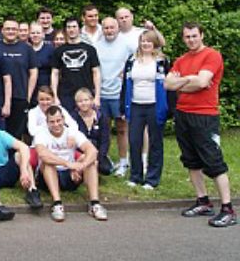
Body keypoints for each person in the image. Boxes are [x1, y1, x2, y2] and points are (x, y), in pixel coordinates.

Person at [164, 22, 235, 227]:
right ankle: (203, 201)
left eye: (194, 36)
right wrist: (190, 80)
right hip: (183, 114)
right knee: (191, 160)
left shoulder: (212, 56)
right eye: (187, 37)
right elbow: (168, 84)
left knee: (213, 162)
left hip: (205, 116)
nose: (191, 40)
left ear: (201, 35)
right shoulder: (181, 60)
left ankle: (228, 208)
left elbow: (203, 82)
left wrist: (182, 82)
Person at [34, 106, 108, 222]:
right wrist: (68, 164)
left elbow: (92, 150)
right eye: (52, 122)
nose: (56, 124)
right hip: (48, 177)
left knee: (91, 162)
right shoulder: (41, 134)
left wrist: (80, 167)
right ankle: (57, 204)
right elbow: (43, 154)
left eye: (58, 121)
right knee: (47, 163)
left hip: (71, 175)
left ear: (63, 119)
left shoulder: (73, 133)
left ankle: (95, 204)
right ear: (47, 122)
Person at [120, 30, 170, 188]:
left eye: (149, 41)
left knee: (155, 142)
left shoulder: (162, 61)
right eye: (143, 41)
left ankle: (152, 179)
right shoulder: (132, 60)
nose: (145, 44)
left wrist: (170, 108)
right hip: (135, 105)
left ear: (154, 43)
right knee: (134, 141)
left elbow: (170, 85)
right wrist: (123, 106)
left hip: (155, 105)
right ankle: (135, 176)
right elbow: (125, 85)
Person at [0, 110, 43, 221]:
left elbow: (24, 147)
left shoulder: (0, 134)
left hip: (4, 169)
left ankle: (32, 191)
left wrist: (23, 170)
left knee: (20, 155)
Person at [95, 17, 135, 176]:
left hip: (119, 94)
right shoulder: (97, 45)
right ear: (102, 29)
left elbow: (139, 58)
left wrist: (125, 74)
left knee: (122, 128)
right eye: (106, 28)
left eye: (112, 27)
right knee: (103, 128)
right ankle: (104, 159)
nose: (109, 31)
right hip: (102, 93)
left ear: (118, 28)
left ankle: (124, 161)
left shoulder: (127, 44)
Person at [51, 17, 101, 115]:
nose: (71, 29)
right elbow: (55, 74)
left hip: (86, 93)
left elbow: (96, 72)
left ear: (79, 29)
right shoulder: (59, 51)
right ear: (65, 30)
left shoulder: (90, 49)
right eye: (69, 27)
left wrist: (97, 96)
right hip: (66, 95)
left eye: (74, 26)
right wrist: (55, 96)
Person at [0, 17, 37, 140]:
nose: (11, 31)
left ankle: (14, 158)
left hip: (20, 96)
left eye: (14, 29)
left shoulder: (26, 48)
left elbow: (33, 72)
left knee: (16, 134)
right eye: (8, 29)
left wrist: (28, 96)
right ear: (2, 30)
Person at [73, 88, 112, 176]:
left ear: (92, 100)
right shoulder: (73, 118)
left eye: (86, 100)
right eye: (80, 101)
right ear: (76, 104)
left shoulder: (101, 117)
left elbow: (105, 141)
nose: (83, 103)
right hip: (80, 152)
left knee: (105, 169)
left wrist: (99, 157)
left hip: (97, 151)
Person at [29, 22, 54, 97]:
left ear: (43, 34)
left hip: (46, 88)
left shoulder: (50, 49)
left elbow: (55, 72)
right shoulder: (26, 49)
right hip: (30, 89)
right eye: (33, 33)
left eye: (38, 33)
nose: (35, 35)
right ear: (29, 35)